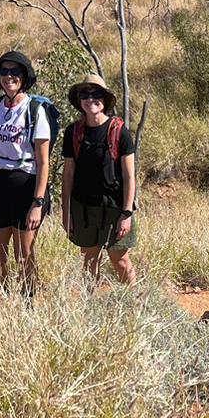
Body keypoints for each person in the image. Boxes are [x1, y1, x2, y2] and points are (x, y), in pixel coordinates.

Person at [0, 50, 52, 294]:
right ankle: (2, 301)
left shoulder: (35, 110)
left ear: (24, 76)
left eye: (15, 72)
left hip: (26, 186)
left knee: (24, 254)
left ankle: (29, 303)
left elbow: (43, 161)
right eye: (4, 72)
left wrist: (38, 202)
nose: (9, 77)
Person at [60, 73, 139, 286]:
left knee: (120, 259)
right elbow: (68, 175)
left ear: (104, 99)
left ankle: (135, 306)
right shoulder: (73, 132)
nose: (90, 99)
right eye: (84, 94)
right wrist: (66, 212)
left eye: (96, 94)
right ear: (79, 100)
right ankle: (90, 308)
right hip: (84, 208)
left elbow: (129, 176)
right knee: (89, 258)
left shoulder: (119, 131)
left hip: (115, 208)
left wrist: (126, 213)